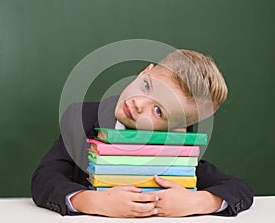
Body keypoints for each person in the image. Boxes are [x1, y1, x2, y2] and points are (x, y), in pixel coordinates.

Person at [31, 49, 253, 217]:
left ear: (175, 129)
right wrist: (93, 201)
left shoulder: (174, 147)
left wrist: (196, 202)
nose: (138, 104)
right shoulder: (82, 118)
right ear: (144, 72)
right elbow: (44, 179)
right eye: (147, 86)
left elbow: (239, 189)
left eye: (158, 110)